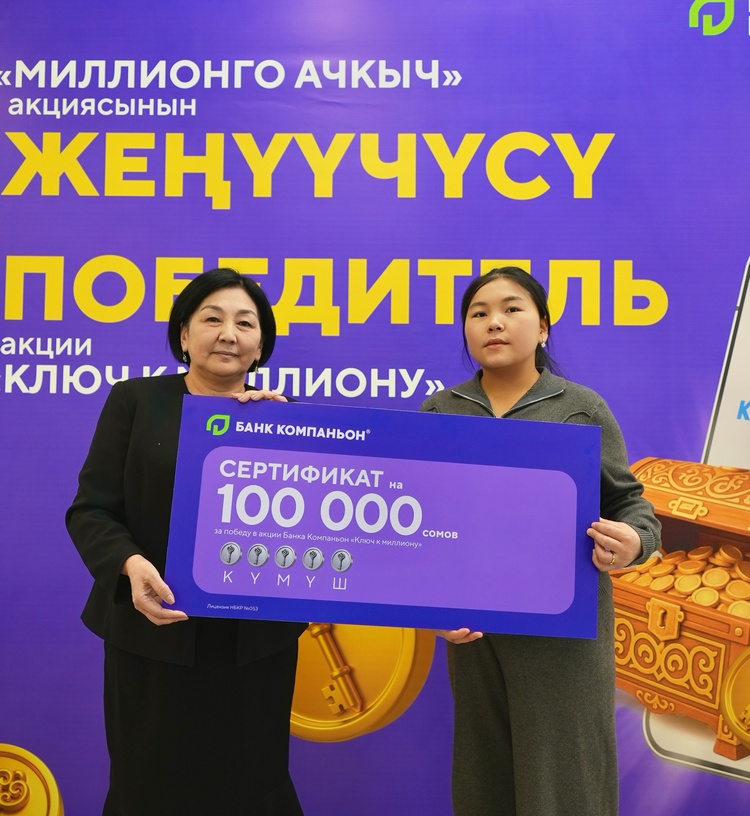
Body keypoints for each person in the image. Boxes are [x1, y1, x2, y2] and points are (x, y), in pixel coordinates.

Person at [66, 268, 308, 815]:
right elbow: (91, 509)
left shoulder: (284, 419)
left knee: (252, 788)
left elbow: (316, 530)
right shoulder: (135, 400)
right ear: (183, 334)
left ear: (261, 345)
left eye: (245, 323)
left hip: (253, 646)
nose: (228, 334)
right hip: (152, 633)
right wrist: (129, 565)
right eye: (212, 318)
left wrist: (278, 434)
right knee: (147, 788)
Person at [420, 267, 660, 816]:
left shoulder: (580, 407)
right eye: (478, 313)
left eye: (512, 309)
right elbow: (422, 525)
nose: (494, 322)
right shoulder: (440, 410)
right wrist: (431, 606)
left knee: (564, 786)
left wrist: (634, 541)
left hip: (564, 640)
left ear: (544, 327)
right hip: (475, 636)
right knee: (485, 781)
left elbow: (629, 503)